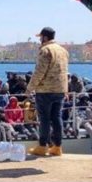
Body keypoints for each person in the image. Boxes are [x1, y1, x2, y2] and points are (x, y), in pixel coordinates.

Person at [26, 27, 69, 157]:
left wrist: (30, 88)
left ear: (45, 37)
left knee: (44, 118)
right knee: (57, 118)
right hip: (60, 89)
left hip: (45, 90)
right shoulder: (63, 50)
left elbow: (40, 71)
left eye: (40, 37)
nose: (40, 39)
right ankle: (57, 147)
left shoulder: (45, 50)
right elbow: (64, 71)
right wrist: (65, 90)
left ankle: (43, 146)